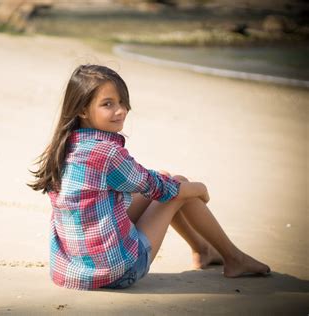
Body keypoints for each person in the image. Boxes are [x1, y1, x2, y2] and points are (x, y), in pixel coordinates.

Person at [28, 64, 270, 291]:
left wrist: (177, 185)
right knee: (179, 187)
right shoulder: (106, 152)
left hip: (70, 270)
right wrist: (200, 188)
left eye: (122, 102)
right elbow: (160, 189)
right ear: (82, 109)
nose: (120, 110)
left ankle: (202, 250)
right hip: (115, 272)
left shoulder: (66, 145)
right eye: (108, 104)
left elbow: (150, 181)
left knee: (168, 179)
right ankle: (234, 258)